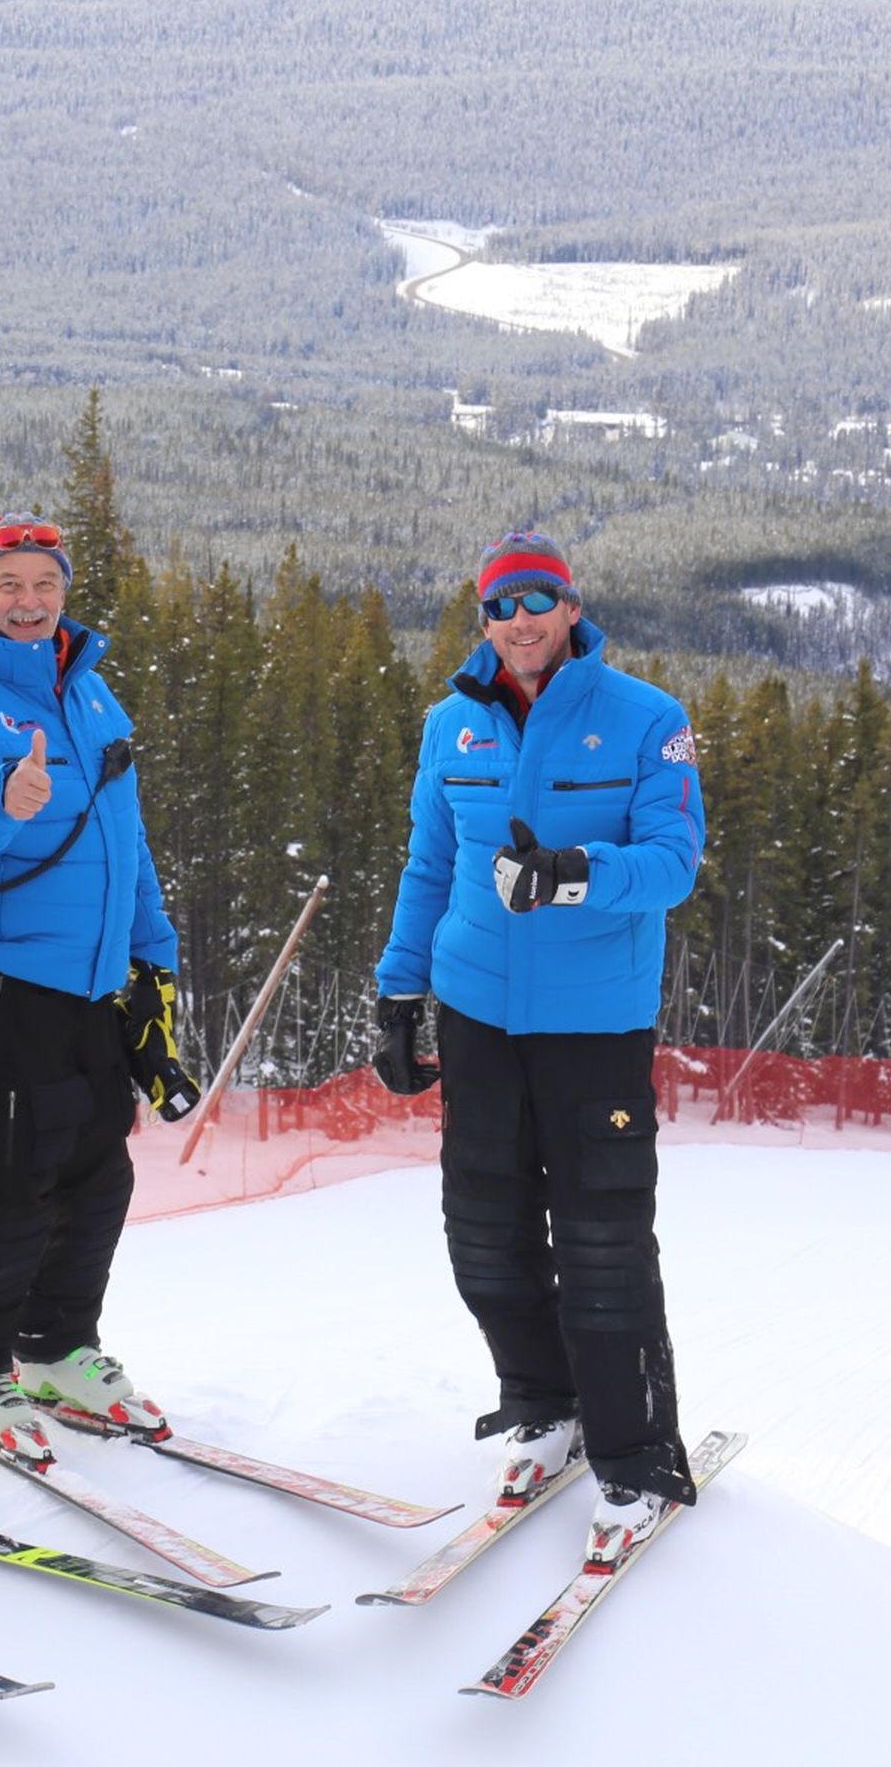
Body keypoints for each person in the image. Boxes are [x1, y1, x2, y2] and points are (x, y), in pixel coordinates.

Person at [373, 531, 708, 1565]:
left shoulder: (647, 720)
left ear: (572, 608)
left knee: (602, 1244)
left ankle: (639, 1453)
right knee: (484, 1228)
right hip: (478, 1012)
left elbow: (672, 864)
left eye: (538, 600)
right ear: (484, 621)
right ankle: (540, 1399)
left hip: (592, 1021)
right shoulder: (452, 726)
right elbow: (431, 863)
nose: (519, 621)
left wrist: (572, 872)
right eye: (500, 606)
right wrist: (398, 992)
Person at [0, 512, 200, 1460]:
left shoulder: (91, 695)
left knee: (98, 1170)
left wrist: (152, 959)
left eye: (44, 583)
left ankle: (56, 1346)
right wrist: (3, 800)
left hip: (91, 979)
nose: (29, 602)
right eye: (10, 585)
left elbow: (128, 843)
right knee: (14, 1176)